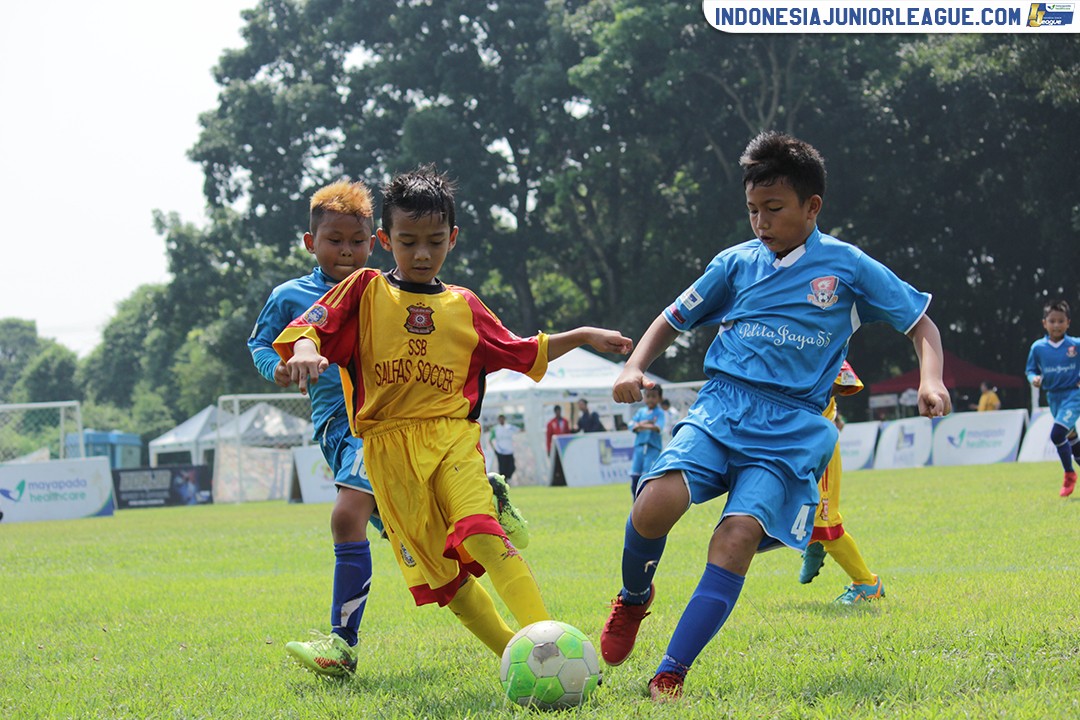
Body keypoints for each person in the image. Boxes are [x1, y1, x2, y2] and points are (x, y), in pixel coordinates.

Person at [599, 131, 950, 702]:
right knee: (653, 503)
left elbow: (922, 325)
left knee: (734, 539)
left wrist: (929, 379)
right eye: (752, 211)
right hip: (722, 405)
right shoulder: (734, 264)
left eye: (774, 209)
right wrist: (634, 366)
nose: (760, 222)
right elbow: (671, 318)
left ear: (813, 207)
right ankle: (634, 600)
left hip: (790, 427)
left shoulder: (848, 268)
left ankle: (670, 673)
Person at [274, 164, 632, 661]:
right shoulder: (363, 290)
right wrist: (307, 351)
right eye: (408, 240)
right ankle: (523, 657)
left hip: (452, 440)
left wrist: (584, 335)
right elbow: (309, 326)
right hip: (387, 453)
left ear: (453, 238)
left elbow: (523, 351)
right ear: (385, 239)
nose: (422, 253)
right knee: (447, 580)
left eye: (435, 241)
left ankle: (554, 645)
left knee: (482, 533)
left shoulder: (465, 306)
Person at [251, 179, 531, 676]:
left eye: (356, 241)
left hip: (381, 429)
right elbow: (262, 342)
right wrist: (281, 363)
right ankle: (521, 647)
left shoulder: (381, 290)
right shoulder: (292, 296)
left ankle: (341, 643)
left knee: (345, 516)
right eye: (334, 240)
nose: (347, 250)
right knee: (422, 550)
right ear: (309, 242)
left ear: (374, 241)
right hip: (335, 428)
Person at [799, 362, 885, 605]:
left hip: (817, 444)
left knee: (825, 521)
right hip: (791, 442)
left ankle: (867, 583)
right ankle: (813, 544)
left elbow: (844, 380)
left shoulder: (821, 338)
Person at [1025, 299, 1080, 497]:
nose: (1056, 325)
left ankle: (1069, 474)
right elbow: (1030, 369)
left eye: (1060, 321)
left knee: (1057, 434)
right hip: (1053, 397)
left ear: (1068, 323)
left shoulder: (1075, 345)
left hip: (1074, 395)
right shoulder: (1038, 348)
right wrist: (1034, 378)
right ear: (1044, 323)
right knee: (1071, 437)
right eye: (1052, 321)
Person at [628, 385, 665, 497]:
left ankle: (646, 502)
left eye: (653, 396)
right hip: (639, 448)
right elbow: (631, 425)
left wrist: (641, 425)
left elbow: (659, 427)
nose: (650, 399)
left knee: (647, 476)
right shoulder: (641, 412)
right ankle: (635, 503)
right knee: (635, 476)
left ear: (659, 398)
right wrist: (646, 424)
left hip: (652, 448)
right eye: (648, 396)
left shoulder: (660, 413)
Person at [489, 414, 519, 481]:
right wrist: (494, 449)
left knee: (512, 467)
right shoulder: (496, 429)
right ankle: (503, 483)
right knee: (502, 469)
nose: (501, 420)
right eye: (500, 419)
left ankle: (507, 479)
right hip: (501, 451)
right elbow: (490, 440)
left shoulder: (509, 427)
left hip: (509, 451)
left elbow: (519, 429)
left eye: (502, 418)